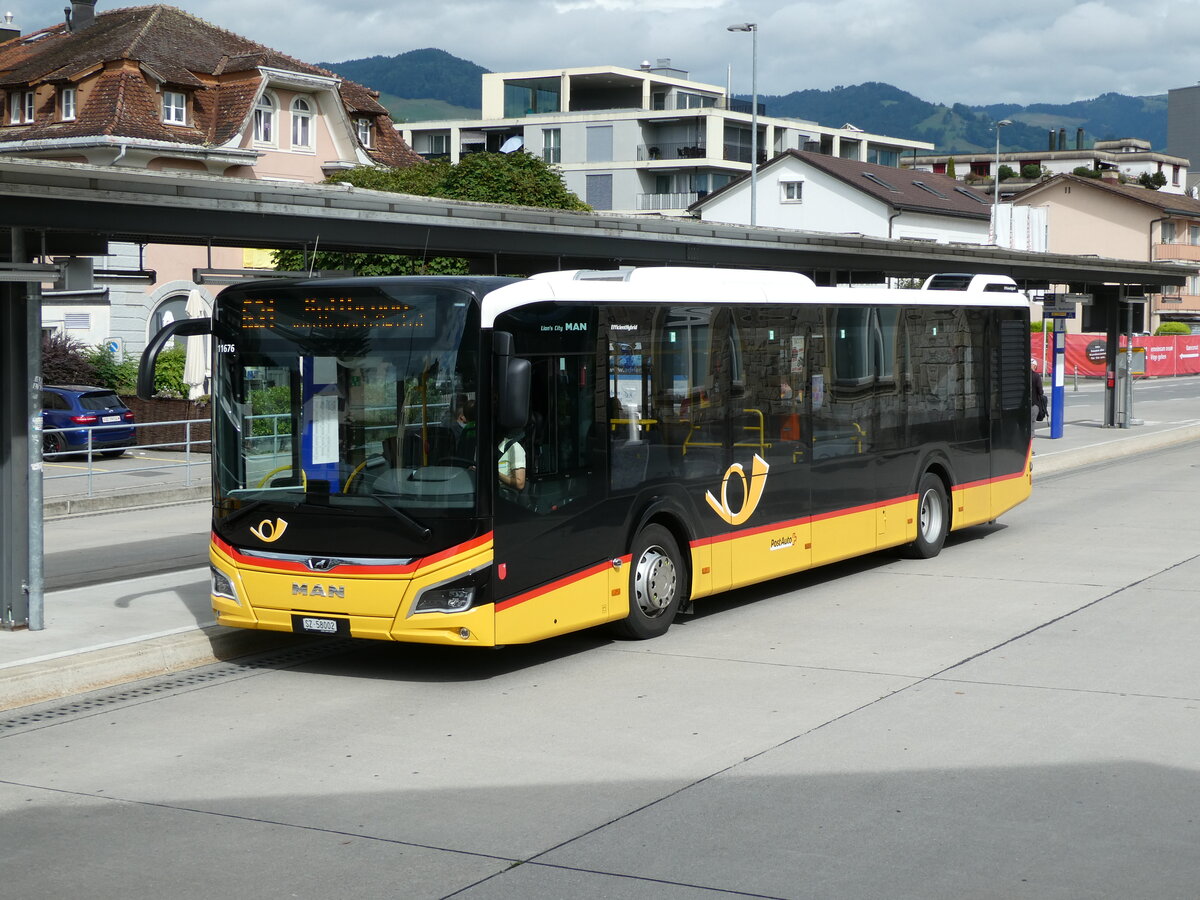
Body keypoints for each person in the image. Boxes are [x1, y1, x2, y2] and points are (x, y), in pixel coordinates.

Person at [1031, 359, 1048, 425]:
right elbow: (1040, 391)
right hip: (1034, 403)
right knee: (1032, 422)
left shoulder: (1024, 375)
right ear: (1034, 366)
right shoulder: (1036, 376)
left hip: (1023, 403)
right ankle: (1031, 435)